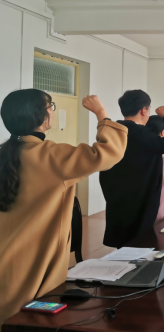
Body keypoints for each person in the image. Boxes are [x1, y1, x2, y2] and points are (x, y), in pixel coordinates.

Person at [0, 90, 127, 324]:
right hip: (29, 265)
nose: (52, 111)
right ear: (41, 117)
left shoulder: (4, 154)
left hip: (5, 260)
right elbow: (108, 152)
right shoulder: (52, 156)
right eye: (50, 106)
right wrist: (101, 113)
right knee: (25, 320)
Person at [99, 90, 164, 248]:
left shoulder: (114, 131)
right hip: (141, 197)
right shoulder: (143, 134)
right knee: (139, 240)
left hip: (115, 194)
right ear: (144, 110)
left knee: (122, 240)